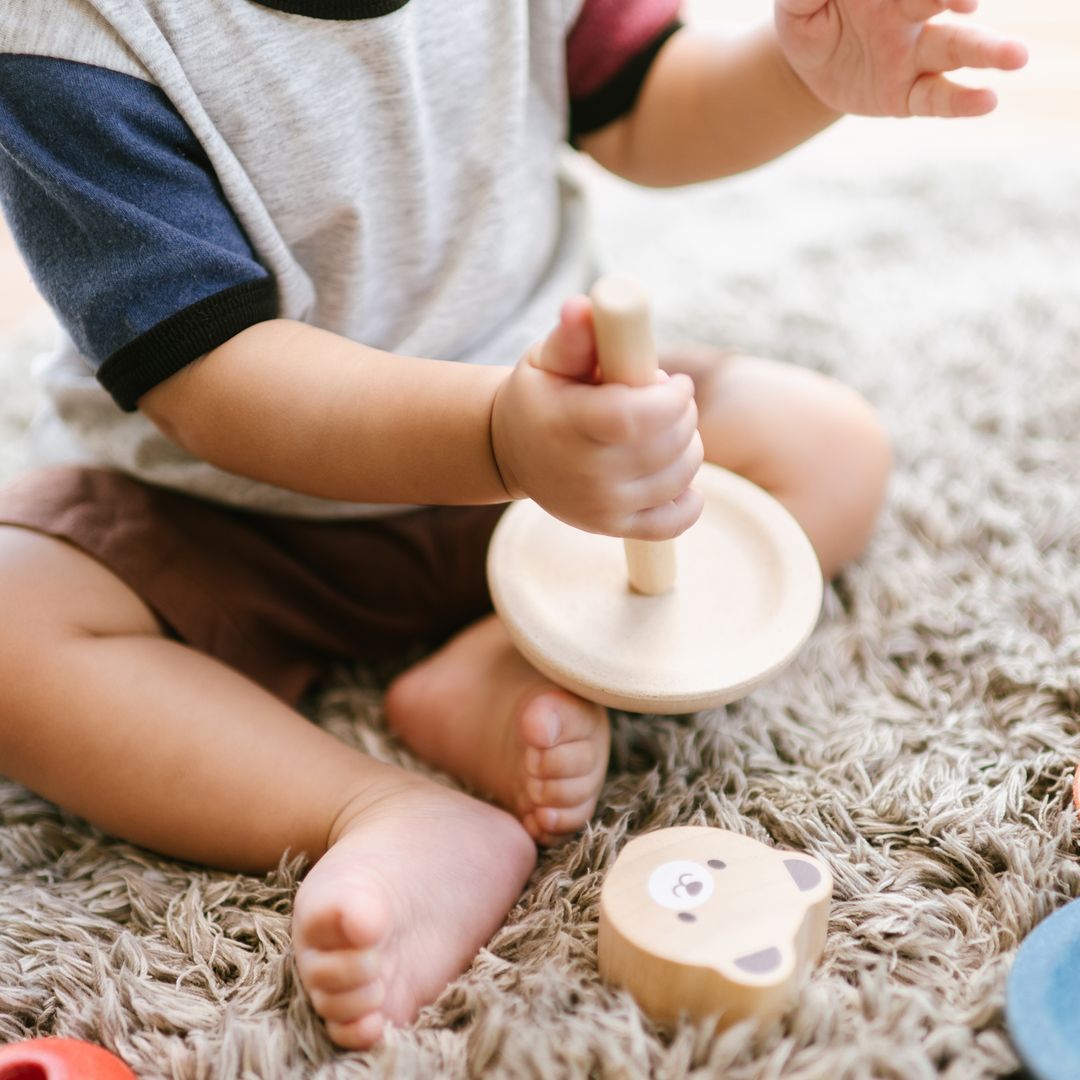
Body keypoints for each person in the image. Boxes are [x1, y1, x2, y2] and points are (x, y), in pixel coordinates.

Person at [0, 0, 1025, 1051]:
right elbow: (210, 377)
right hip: (232, 510)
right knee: (11, 623)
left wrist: (796, 73)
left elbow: (638, 105)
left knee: (825, 443)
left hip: (557, 467)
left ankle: (504, 655)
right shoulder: (78, 32)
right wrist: (494, 437)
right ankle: (375, 809)